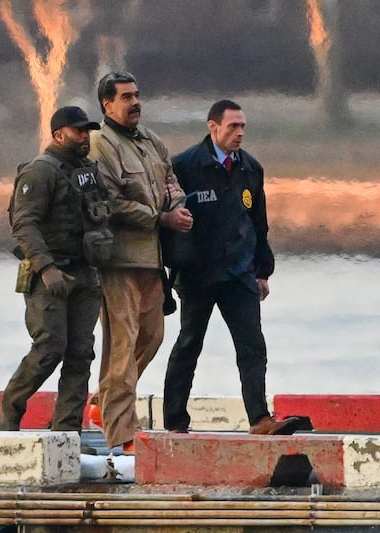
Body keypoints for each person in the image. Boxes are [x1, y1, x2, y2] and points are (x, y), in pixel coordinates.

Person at [162, 99, 299, 435]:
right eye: (232, 126)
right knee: (189, 343)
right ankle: (175, 421)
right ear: (213, 127)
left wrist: (263, 270)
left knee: (252, 345)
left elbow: (258, 222)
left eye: (242, 127)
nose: (239, 133)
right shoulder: (185, 166)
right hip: (198, 273)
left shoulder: (250, 168)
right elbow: (168, 224)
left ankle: (259, 419)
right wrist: (170, 270)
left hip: (239, 272)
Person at [87, 71, 192, 453]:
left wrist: (176, 205)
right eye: (126, 97)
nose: (135, 102)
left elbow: (172, 182)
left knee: (153, 335)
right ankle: (122, 434)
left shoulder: (151, 142)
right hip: (119, 260)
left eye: (137, 94)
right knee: (122, 342)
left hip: (153, 259)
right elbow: (110, 201)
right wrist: (159, 217)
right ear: (107, 104)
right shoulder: (101, 144)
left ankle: (104, 400)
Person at [0, 106, 109, 439]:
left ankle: (67, 428)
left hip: (86, 274)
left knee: (80, 354)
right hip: (51, 276)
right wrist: (46, 268)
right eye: (78, 131)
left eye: (87, 131)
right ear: (59, 135)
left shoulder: (89, 170)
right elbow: (24, 224)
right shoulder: (40, 172)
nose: (85, 136)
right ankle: (10, 412)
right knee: (49, 348)